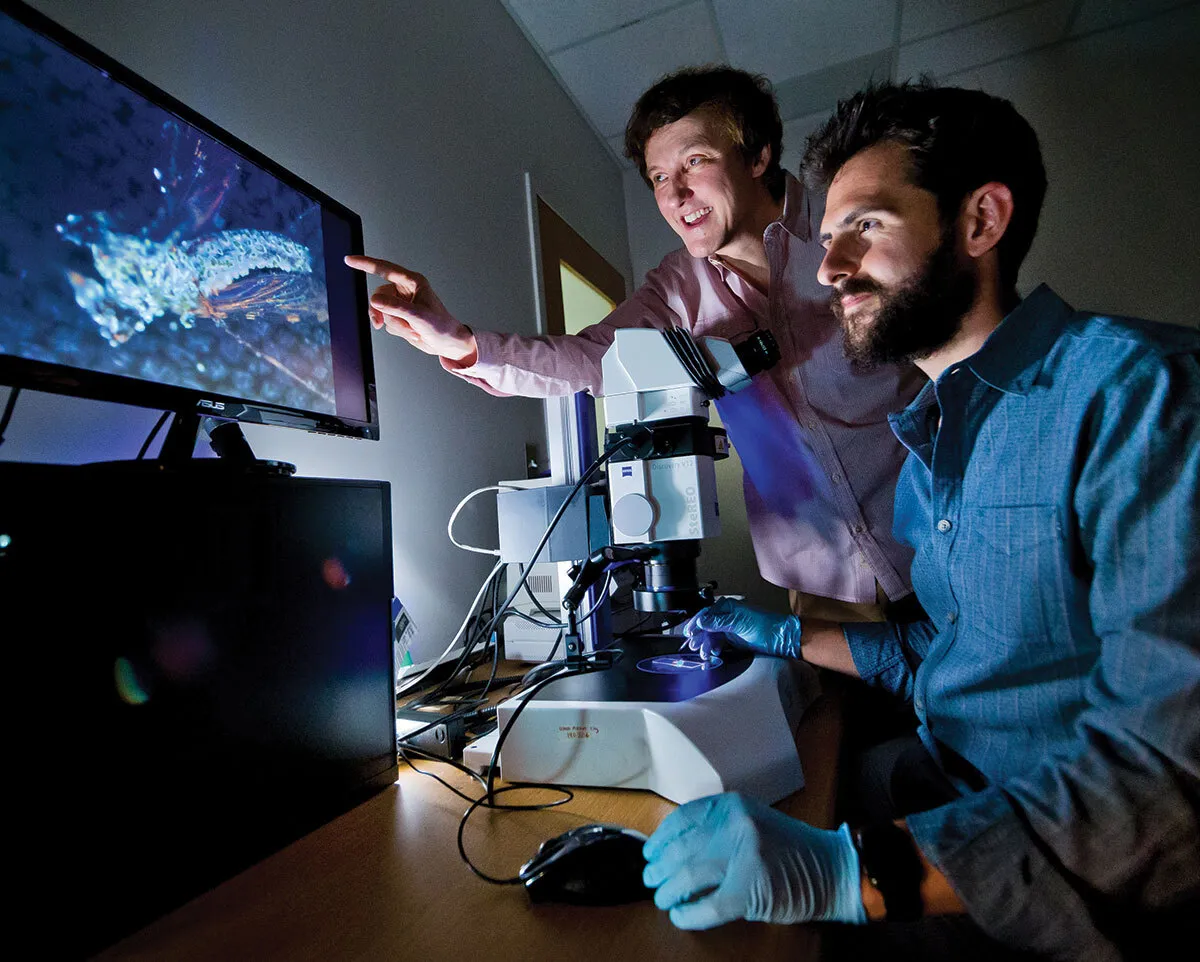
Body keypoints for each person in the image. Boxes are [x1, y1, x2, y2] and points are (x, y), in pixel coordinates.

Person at [649, 81, 1200, 961]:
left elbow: (1168, 787)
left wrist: (849, 874)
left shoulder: (1143, 398)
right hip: (946, 777)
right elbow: (944, 660)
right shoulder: (930, 442)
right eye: (827, 239)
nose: (829, 270)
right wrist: (784, 637)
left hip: (1063, 869)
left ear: (981, 223)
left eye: (864, 226)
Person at [346, 66, 923, 622]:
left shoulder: (848, 227)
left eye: (695, 161)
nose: (676, 194)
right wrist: (464, 343)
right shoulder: (675, 288)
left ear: (757, 156)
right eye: (657, 178)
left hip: (934, 537)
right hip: (822, 575)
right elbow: (589, 361)